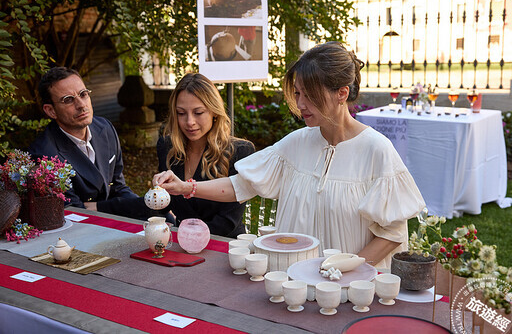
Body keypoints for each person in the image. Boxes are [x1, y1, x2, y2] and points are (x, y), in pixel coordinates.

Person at [153, 42, 425, 267]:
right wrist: (185, 187)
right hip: (291, 282)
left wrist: (339, 271)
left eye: (310, 95)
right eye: (297, 93)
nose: (300, 104)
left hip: (348, 290)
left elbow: (392, 233)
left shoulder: (376, 150)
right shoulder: (295, 143)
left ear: (342, 93)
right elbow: (241, 184)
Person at [29, 67, 158, 220]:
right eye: (68, 100)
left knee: (163, 218)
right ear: (51, 111)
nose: (81, 105)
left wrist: (145, 209)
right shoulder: (44, 155)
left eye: (83, 94)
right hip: (81, 231)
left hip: (108, 214)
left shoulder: (105, 128)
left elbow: (118, 187)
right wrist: (136, 206)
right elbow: (76, 212)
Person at [156, 73, 255, 238]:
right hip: (180, 246)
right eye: (181, 113)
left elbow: (227, 222)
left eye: (198, 112)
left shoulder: (240, 151)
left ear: (214, 112)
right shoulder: (167, 148)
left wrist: (183, 236)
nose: (189, 122)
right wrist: (156, 193)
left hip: (224, 247)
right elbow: (161, 208)